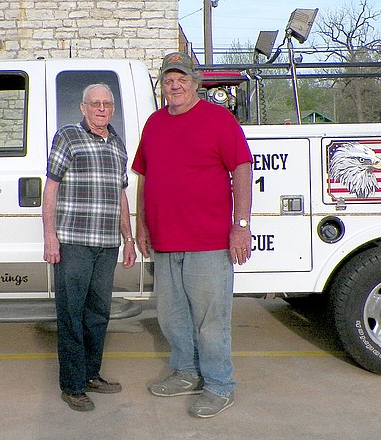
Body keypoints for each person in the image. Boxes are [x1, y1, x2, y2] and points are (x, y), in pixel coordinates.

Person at [132, 52, 253, 418]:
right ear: (162, 85)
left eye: (182, 78)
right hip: (166, 242)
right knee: (172, 317)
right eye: (169, 79)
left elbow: (242, 169)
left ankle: (218, 385)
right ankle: (185, 372)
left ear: (195, 83)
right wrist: (142, 224)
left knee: (210, 320)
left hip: (209, 242)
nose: (175, 85)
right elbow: (144, 177)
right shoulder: (154, 123)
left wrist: (241, 224)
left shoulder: (219, 120)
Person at [42, 83, 136, 412]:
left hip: (107, 245)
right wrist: (50, 237)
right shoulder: (68, 137)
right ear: (83, 108)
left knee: (98, 314)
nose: (101, 109)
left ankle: (92, 374)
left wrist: (128, 238)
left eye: (107, 104)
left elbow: (120, 194)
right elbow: (51, 188)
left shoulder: (117, 144)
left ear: (113, 108)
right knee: (71, 314)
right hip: (74, 243)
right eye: (94, 103)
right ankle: (72, 385)